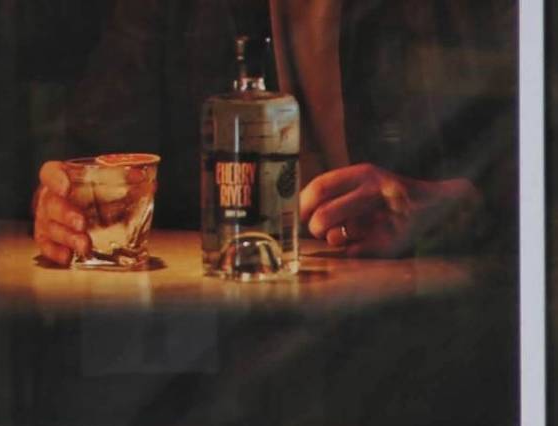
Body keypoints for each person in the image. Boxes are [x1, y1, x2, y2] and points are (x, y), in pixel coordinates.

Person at [31, 0, 516, 266]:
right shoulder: (169, 11)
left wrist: (454, 205)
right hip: (221, 338)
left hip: (416, 331)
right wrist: (61, 208)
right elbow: (84, 157)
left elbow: (544, 164)